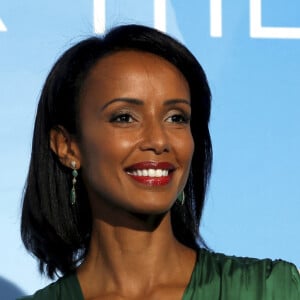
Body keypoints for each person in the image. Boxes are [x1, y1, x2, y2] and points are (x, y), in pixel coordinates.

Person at [19, 24, 299, 300]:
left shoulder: (271, 290)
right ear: (67, 147)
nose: (158, 140)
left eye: (176, 118)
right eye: (125, 117)